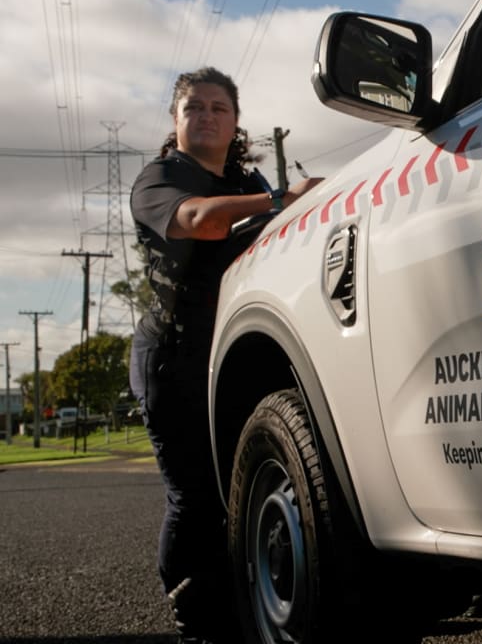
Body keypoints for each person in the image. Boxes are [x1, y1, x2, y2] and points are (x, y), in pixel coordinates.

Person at [128, 66, 323, 644]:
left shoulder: (245, 176)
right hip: (175, 356)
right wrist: (278, 198)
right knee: (196, 494)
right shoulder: (161, 178)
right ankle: (196, 617)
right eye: (194, 107)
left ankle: (242, 603)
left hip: (234, 353)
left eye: (218, 107)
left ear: (235, 121)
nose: (206, 115)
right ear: (175, 120)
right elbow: (199, 223)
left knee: (238, 486)